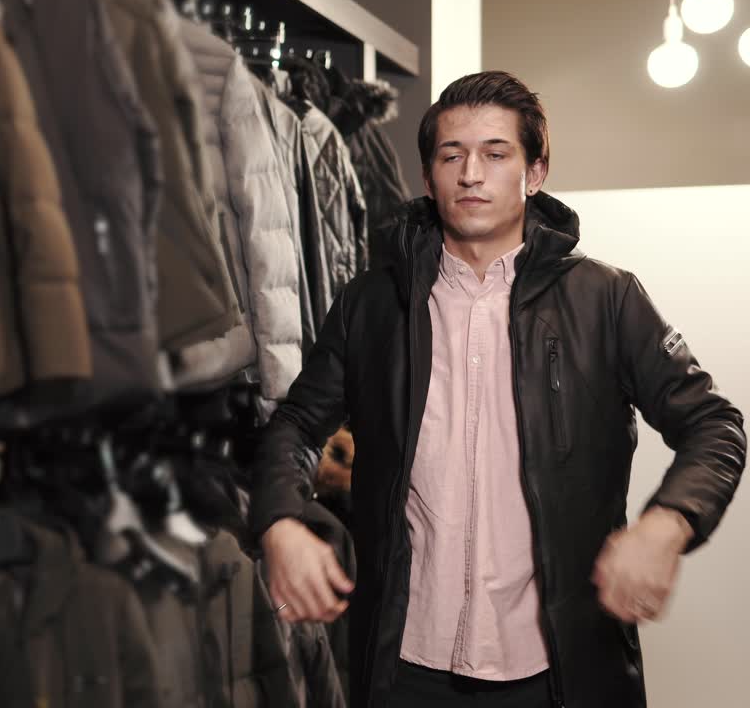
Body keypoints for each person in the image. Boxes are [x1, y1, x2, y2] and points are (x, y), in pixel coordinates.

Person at [250, 71, 745, 708]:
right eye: (451, 156)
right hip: (406, 667)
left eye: (495, 153)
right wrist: (281, 518)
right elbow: (293, 422)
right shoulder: (371, 306)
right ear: (428, 179)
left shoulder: (606, 299)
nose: (471, 174)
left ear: (535, 172)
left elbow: (714, 426)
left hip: (560, 667)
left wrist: (667, 523)